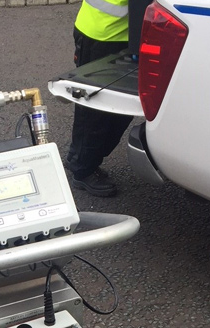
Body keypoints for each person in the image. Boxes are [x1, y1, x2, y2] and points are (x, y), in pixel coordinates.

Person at [67, 0, 134, 197]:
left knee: (113, 107)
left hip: (111, 34)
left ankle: (79, 157)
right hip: (102, 37)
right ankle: (83, 170)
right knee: (96, 108)